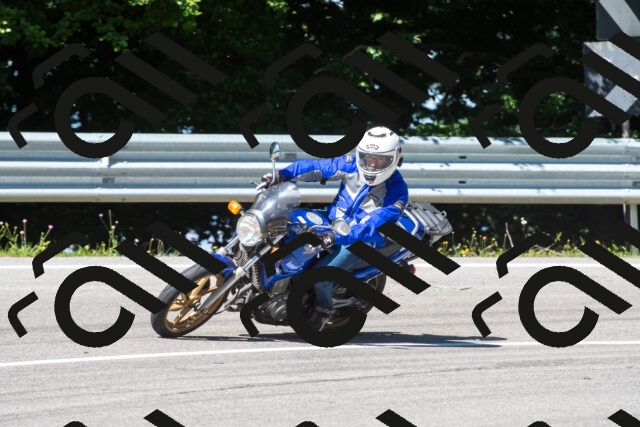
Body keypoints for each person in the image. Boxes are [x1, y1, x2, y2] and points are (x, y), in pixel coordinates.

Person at [258, 126, 408, 331]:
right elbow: (316, 167)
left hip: (360, 240)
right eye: (368, 158)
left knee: (320, 275)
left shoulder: (397, 191)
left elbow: (372, 223)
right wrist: (283, 175)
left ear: (394, 158)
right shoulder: (351, 164)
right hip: (331, 222)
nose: (372, 164)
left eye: (380, 160)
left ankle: (322, 309)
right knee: (285, 224)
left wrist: (337, 236)